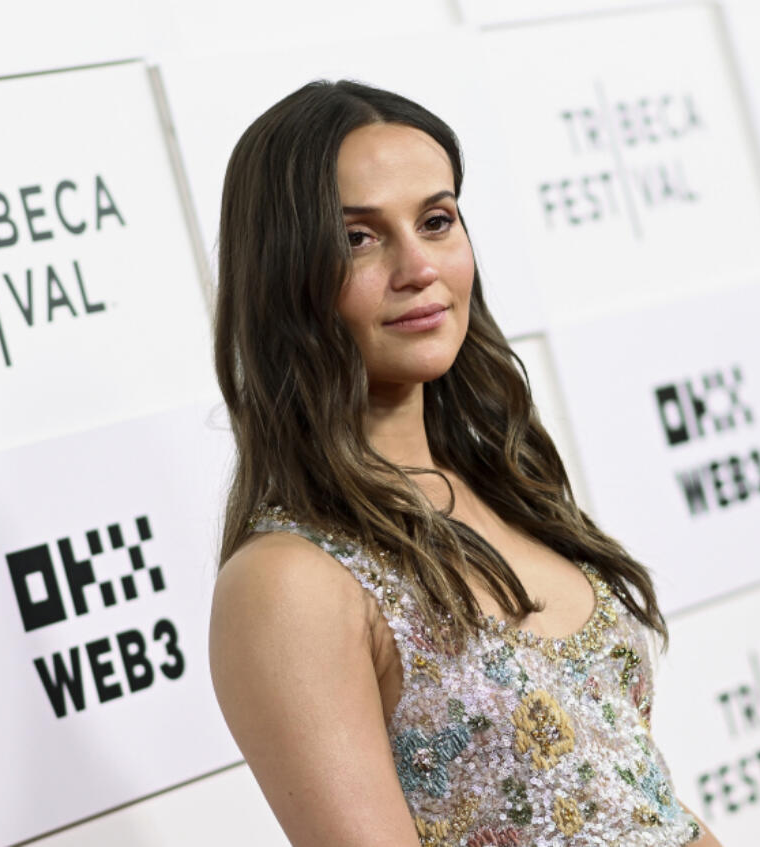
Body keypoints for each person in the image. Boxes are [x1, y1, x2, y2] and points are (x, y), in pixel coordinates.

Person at [208, 79, 721, 847]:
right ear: (286, 274)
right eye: (358, 237)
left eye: (437, 221)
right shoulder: (289, 582)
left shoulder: (509, 488)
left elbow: (643, 801)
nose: (419, 266)